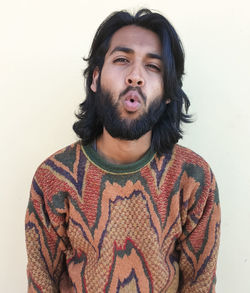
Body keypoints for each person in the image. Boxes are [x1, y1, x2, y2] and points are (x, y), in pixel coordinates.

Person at [25, 8, 220, 293]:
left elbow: (200, 286)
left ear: (168, 93)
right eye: (121, 60)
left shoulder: (193, 178)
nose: (135, 76)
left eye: (153, 67)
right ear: (95, 78)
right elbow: (41, 285)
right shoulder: (53, 178)